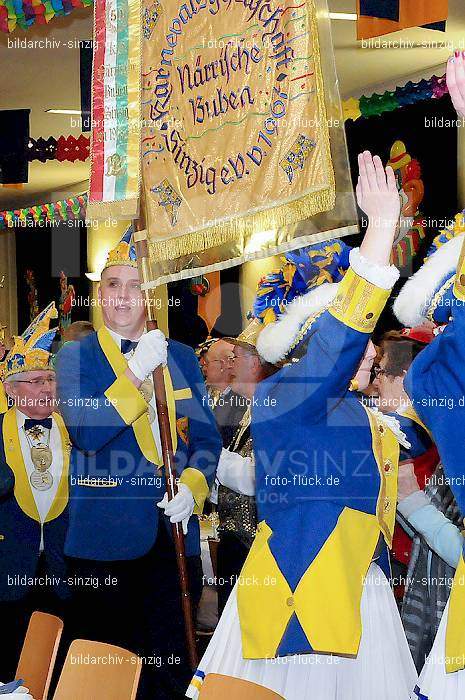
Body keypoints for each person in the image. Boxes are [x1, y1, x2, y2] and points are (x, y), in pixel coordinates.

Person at [187, 151, 417, 699]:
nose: (370, 357)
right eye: (355, 347)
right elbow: (337, 347)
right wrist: (380, 233)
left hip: (359, 599)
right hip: (303, 601)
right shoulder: (284, 398)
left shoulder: (363, 415)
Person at [55, 228, 222, 700]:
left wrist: (193, 486)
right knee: (106, 675)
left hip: (174, 541)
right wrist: (134, 372)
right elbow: (87, 433)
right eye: (113, 285)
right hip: (103, 543)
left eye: (136, 285)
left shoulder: (184, 358)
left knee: (170, 670)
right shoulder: (75, 358)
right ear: (100, 294)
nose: (125, 296)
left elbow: (206, 438)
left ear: (151, 295)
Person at [0, 303, 70, 681]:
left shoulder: (76, 429)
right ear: (11, 389)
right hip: (9, 568)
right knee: (10, 664)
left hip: (63, 570)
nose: (47, 388)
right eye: (36, 381)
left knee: (58, 664)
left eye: (50, 379)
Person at [214, 329, 277, 614]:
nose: (229, 365)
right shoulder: (252, 408)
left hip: (254, 546)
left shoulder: (271, 408)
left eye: (234, 357)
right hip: (238, 541)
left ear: (254, 363)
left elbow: (256, 478)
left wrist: (207, 455)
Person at [203, 339, 247, 449]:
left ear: (224, 364)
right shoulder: (200, 393)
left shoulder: (245, 402)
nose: (204, 368)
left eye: (207, 363)